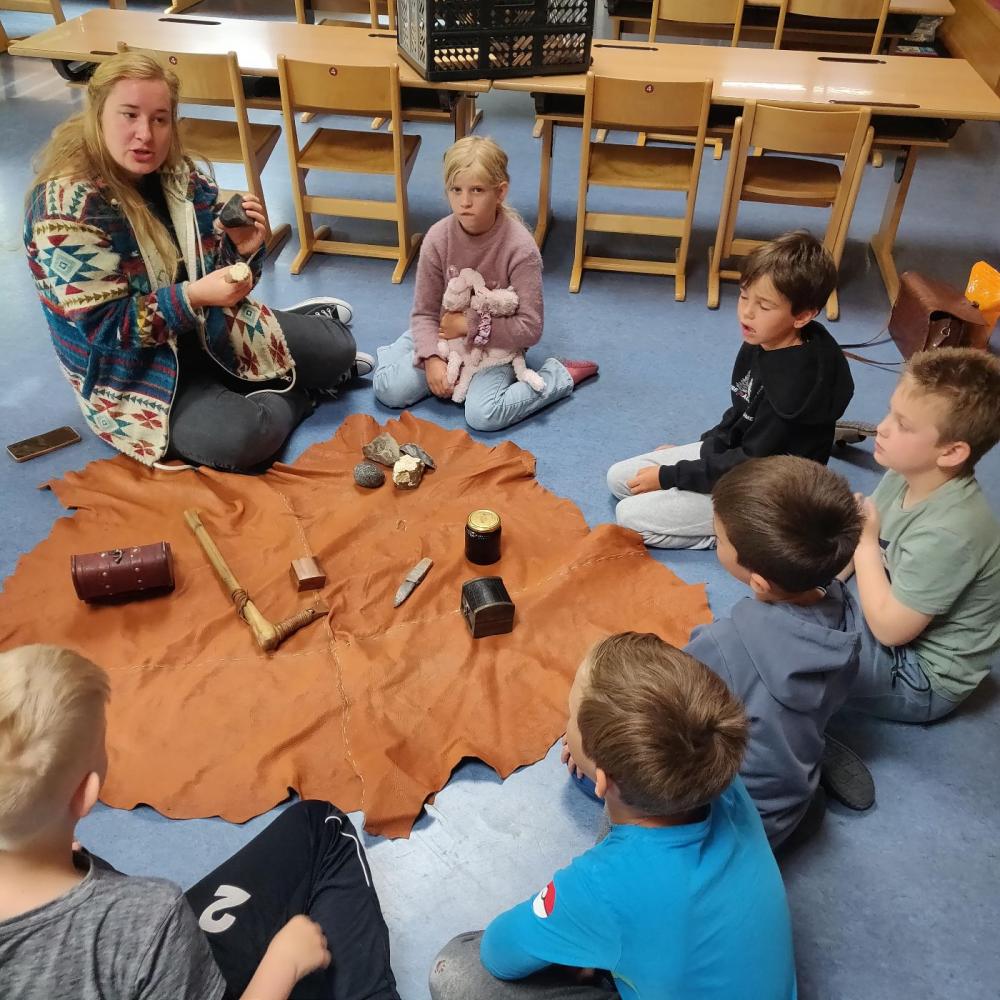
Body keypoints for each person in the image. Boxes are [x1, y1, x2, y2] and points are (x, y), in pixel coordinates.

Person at [24, 52, 371, 472]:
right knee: (243, 438)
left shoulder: (180, 176)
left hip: (206, 326)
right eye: (129, 115)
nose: (145, 135)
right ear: (98, 115)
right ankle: (299, 390)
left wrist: (242, 250)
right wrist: (193, 297)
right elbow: (106, 327)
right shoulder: (65, 210)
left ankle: (285, 368)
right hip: (135, 372)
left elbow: (222, 278)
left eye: (159, 119)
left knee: (339, 350)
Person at [0, 645, 400, 1000]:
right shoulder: (149, 919)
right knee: (320, 827)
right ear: (86, 793)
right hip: (161, 958)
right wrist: (283, 964)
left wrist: (51, 851)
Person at [429, 632, 797, 1000]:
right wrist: (592, 751)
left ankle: (599, 950)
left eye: (572, 718)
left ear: (604, 777)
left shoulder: (600, 886)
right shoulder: (711, 767)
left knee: (455, 970)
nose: (567, 724)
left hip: (627, 902)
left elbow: (498, 953)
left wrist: (580, 928)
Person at [607, 230, 854, 549]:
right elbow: (742, 410)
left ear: (803, 315)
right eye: (744, 296)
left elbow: (751, 464)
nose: (746, 312)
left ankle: (741, 534)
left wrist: (673, 475)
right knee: (619, 479)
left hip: (765, 492)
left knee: (629, 516)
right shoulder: (763, 337)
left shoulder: (795, 389)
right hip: (737, 460)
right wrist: (704, 446)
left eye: (764, 305)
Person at [683, 456, 863, 847]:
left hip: (737, 826)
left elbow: (666, 710)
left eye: (719, 540)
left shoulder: (725, 645)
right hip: (792, 805)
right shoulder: (844, 608)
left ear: (760, 583)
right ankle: (805, 768)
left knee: (609, 775)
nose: (716, 542)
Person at [373, 135, 597, 432]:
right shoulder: (438, 237)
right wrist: (431, 358)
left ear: (500, 192)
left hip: (496, 349)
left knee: (482, 415)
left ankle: (559, 375)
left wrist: (469, 325)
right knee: (388, 390)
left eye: (477, 190)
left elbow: (530, 328)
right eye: (456, 190)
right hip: (447, 338)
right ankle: (411, 342)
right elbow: (425, 311)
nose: (464, 202)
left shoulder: (521, 249)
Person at [846, 347, 1000, 723]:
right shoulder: (905, 471)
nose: (882, 428)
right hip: (893, 609)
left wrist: (865, 544)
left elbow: (890, 631)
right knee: (795, 581)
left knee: (793, 651)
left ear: (950, 452)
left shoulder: (951, 532)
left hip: (921, 677)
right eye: (890, 413)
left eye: (903, 425)